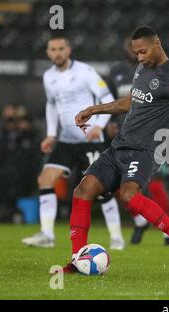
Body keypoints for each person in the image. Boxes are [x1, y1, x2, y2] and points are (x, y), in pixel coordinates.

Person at [57, 26, 169, 273]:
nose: (139, 58)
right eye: (136, 53)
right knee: (82, 191)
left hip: (143, 150)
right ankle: (78, 258)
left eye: (143, 52)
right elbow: (129, 102)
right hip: (119, 147)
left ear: (157, 44)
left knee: (128, 195)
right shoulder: (142, 68)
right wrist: (93, 110)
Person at [22, 34, 125, 250]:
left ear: (68, 51)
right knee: (45, 180)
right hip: (67, 140)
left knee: (101, 189)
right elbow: (51, 105)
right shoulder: (49, 76)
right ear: (48, 53)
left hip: (90, 140)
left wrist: (99, 126)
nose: (57, 52)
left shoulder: (85, 72)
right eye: (52, 49)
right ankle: (47, 234)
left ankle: (116, 237)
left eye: (61, 48)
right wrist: (51, 134)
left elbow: (107, 99)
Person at [107, 37, 169, 246]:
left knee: (154, 184)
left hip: (151, 137)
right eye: (130, 46)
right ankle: (139, 220)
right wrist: (109, 121)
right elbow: (109, 99)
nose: (135, 50)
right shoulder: (115, 72)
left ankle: (167, 233)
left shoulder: (159, 70)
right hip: (124, 137)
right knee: (119, 184)